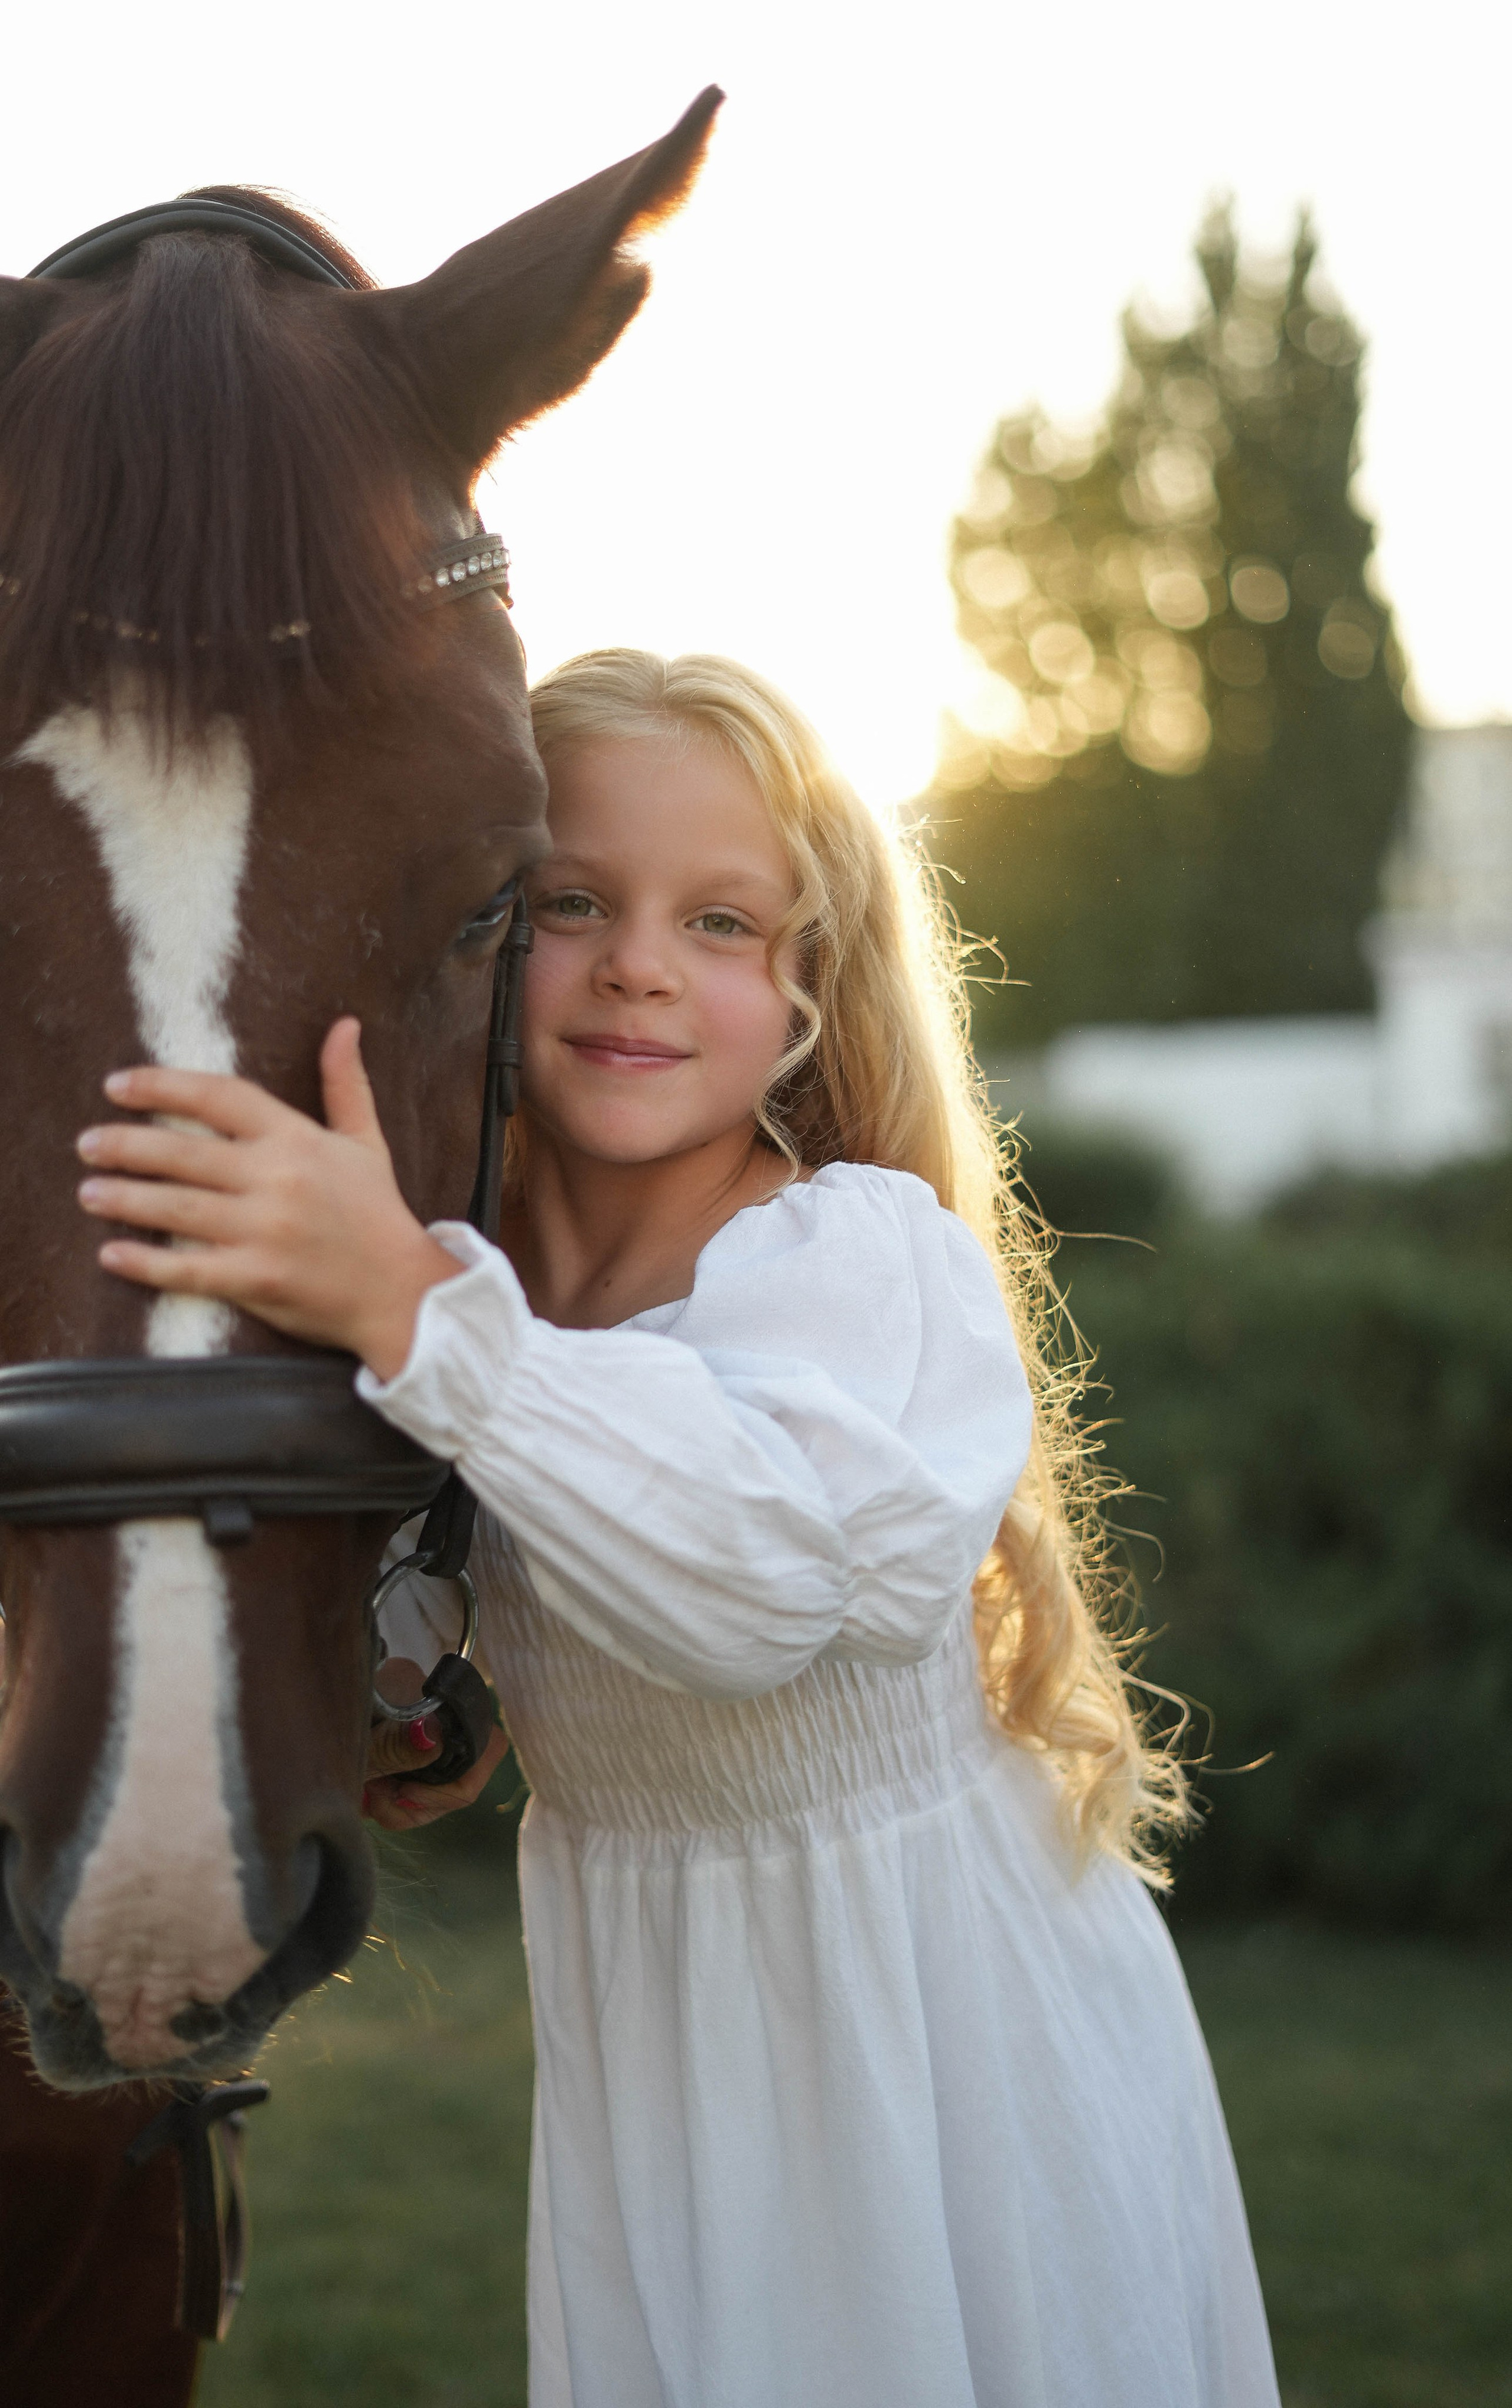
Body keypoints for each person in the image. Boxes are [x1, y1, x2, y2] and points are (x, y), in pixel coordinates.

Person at [77, 650, 1280, 2408]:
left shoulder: (858, 1262)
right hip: (664, 2031)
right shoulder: (492, 1298)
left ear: (809, 990)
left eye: (726, 922)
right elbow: (475, 1555)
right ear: (483, 931)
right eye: (575, 901)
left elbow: (753, 1580)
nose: (642, 960)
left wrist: (410, 1309)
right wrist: (414, 1689)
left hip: (930, 2047)